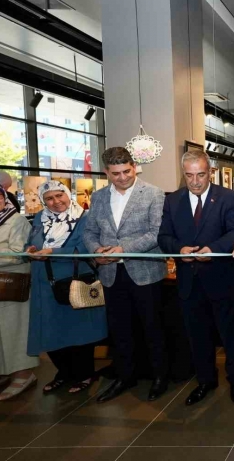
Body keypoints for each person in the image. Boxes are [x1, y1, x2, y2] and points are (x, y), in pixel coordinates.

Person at [158, 150, 234, 406]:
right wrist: (179, 249)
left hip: (221, 278)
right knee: (197, 336)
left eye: (200, 174)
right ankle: (206, 381)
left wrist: (213, 250)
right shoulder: (173, 200)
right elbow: (163, 236)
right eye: (189, 175)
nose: (195, 181)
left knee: (230, 334)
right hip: (189, 281)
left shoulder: (227, 197)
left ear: (210, 171)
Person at [82, 147, 169, 403]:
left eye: (127, 171)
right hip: (110, 273)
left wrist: (123, 249)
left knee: (152, 328)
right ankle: (124, 376)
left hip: (145, 272)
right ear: (106, 172)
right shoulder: (98, 198)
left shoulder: (153, 193)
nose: (122, 177)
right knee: (119, 329)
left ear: (134, 167)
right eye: (116, 173)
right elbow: (88, 232)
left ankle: (160, 376)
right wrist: (96, 251)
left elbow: (156, 233)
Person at [25, 181, 107, 395]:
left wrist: (53, 252)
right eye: (49, 198)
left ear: (68, 194)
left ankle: (84, 373)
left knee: (79, 330)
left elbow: (86, 247)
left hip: (73, 281)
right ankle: (64, 373)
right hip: (44, 283)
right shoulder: (39, 219)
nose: (56, 202)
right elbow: (30, 242)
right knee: (51, 331)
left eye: (59, 195)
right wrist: (31, 248)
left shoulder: (85, 217)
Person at [0, 185, 38, 401]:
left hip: (12, 282)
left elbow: (18, 254)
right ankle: (5, 371)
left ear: (5, 197)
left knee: (14, 329)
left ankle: (24, 374)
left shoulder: (16, 220)